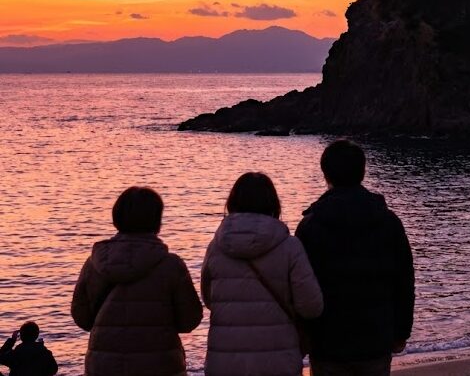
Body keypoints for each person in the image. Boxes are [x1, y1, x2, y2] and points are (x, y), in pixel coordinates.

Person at [296, 140, 415, 376]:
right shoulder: (388, 222)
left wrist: (302, 336)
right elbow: (403, 281)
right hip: (375, 337)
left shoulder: (310, 226)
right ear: (363, 172)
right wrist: (401, 331)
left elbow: (301, 288)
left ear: (325, 174)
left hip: (327, 340)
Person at [71, 187, 203, 376]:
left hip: (104, 367)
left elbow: (82, 319)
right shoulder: (171, 265)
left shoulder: (94, 264)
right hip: (160, 366)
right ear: (157, 219)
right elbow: (189, 321)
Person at [202, 172, 324, 376]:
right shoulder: (290, 247)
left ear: (232, 202)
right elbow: (311, 307)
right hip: (278, 363)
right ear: (273, 204)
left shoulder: (216, 247)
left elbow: (209, 300)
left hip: (225, 363)